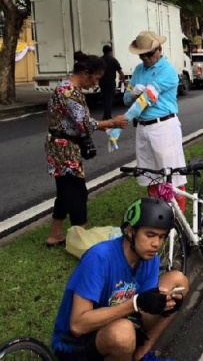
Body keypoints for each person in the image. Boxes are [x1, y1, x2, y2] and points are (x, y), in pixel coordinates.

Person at [52, 198, 189, 361]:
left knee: (178, 280)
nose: (156, 244)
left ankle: (140, 356)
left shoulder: (150, 259)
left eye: (162, 237)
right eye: (150, 235)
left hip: (117, 326)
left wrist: (164, 306)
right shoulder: (99, 258)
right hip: (74, 344)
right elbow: (77, 326)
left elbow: (143, 316)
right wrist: (135, 303)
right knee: (122, 333)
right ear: (131, 231)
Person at [45, 54, 128, 247]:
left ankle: (55, 235)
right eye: (96, 78)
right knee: (77, 192)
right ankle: (80, 239)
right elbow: (84, 124)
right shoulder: (71, 93)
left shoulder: (62, 87)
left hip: (56, 145)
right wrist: (112, 122)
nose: (96, 83)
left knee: (65, 190)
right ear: (86, 73)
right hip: (65, 148)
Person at [124, 31, 187, 212]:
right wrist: (133, 93)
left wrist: (122, 122)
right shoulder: (138, 70)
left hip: (164, 126)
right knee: (150, 175)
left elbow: (147, 99)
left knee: (172, 176)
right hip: (143, 127)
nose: (145, 58)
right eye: (142, 55)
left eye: (149, 54)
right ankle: (157, 214)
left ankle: (178, 219)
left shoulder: (167, 71)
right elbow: (127, 98)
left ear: (159, 50)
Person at [100, 45, 126, 120]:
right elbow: (120, 71)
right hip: (110, 82)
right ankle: (107, 116)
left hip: (102, 82)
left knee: (105, 98)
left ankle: (106, 115)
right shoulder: (113, 60)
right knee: (109, 99)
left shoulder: (100, 60)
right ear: (110, 51)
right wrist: (124, 81)